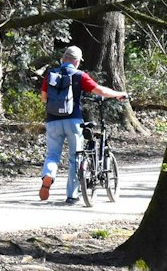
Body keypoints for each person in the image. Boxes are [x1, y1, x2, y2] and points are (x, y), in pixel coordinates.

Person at [38, 46, 128, 205]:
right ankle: (72, 195)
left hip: (52, 120)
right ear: (77, 61)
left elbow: (44, 99)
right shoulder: (80, 76)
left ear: (63, 58)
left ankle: (49, 175)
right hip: (73, 121)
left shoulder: (51, 74)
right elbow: (100, 91)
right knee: (75, 157)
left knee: (52, 154)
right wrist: (118, 94)